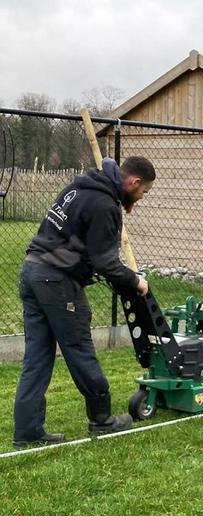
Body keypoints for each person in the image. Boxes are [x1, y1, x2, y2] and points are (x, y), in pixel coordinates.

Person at [13, 156, 156, 449]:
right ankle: (102, 420)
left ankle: (27, 432)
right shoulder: (104, 204)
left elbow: (76, 240)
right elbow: (106, 262)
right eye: (144, 192)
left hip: (32, 271)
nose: (141, 198)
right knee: (79, 349)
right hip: (56, 281)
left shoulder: (78, 188)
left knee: (37, 357)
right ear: (134, 182)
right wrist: (135, 281)